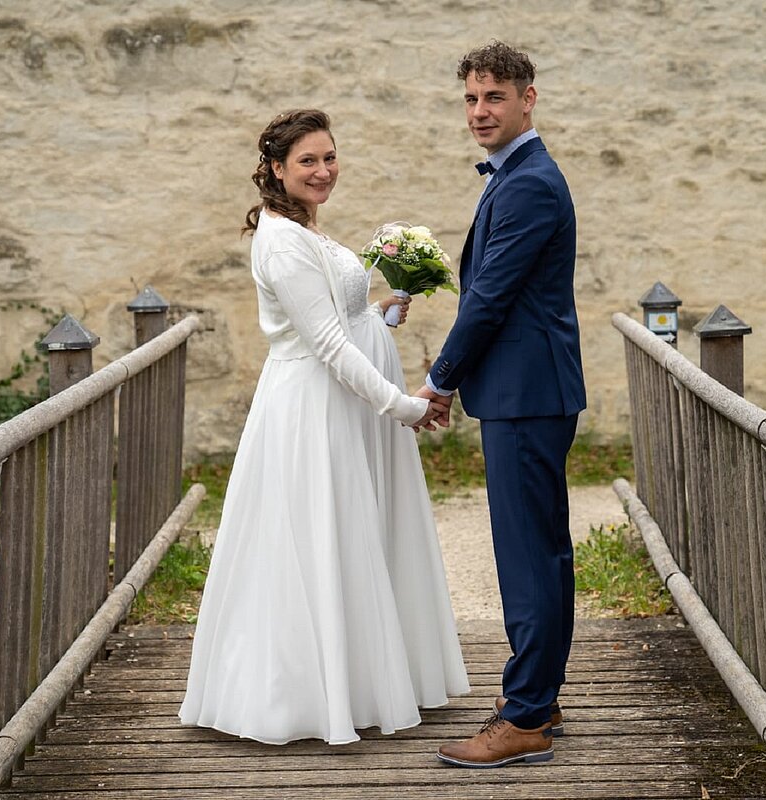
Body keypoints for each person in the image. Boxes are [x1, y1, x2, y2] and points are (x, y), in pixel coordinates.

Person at [178, 109, 469, 745]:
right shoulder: (282, 241)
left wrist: (379, 312)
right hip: (314, 408)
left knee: (353, 535)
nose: (323, 171)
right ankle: (307, 696)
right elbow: (328, 347)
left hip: (342, 403)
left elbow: (332, 318)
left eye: (329, 157)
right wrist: (405, 406)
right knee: (319, 538)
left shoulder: (304, 226)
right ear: (276, 169)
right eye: (307, 161)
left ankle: (362, 681)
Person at [417, 42, 586, 767]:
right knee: (541, 550)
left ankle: (523, 719)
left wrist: (439, 380)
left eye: (494, 97)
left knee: (528, 557)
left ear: (528, 99)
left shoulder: (529, 184)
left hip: (526, 394)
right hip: (530, 390)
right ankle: (539, 697)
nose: (480, 111)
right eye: (471, 99)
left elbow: (488, 298)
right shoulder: (518, 174)